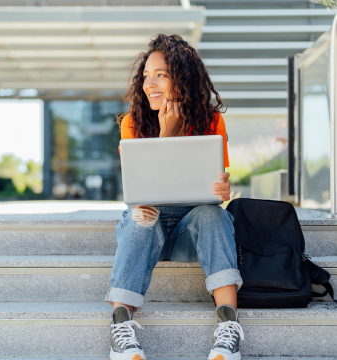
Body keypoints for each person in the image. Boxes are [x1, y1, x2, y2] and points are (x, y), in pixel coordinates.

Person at [107, 34, 244, 360]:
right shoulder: (133, 123)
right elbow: (138, 195)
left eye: (160, 75)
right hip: (147, 227)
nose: (149, 84)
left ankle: (229, 328)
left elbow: (215, 184)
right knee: (140, 218)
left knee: (214, 214)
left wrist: (222, 188)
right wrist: (166, 133)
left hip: (189, 234)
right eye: (145, 77)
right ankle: (120, 327)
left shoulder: (212, 121)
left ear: (182, 78)